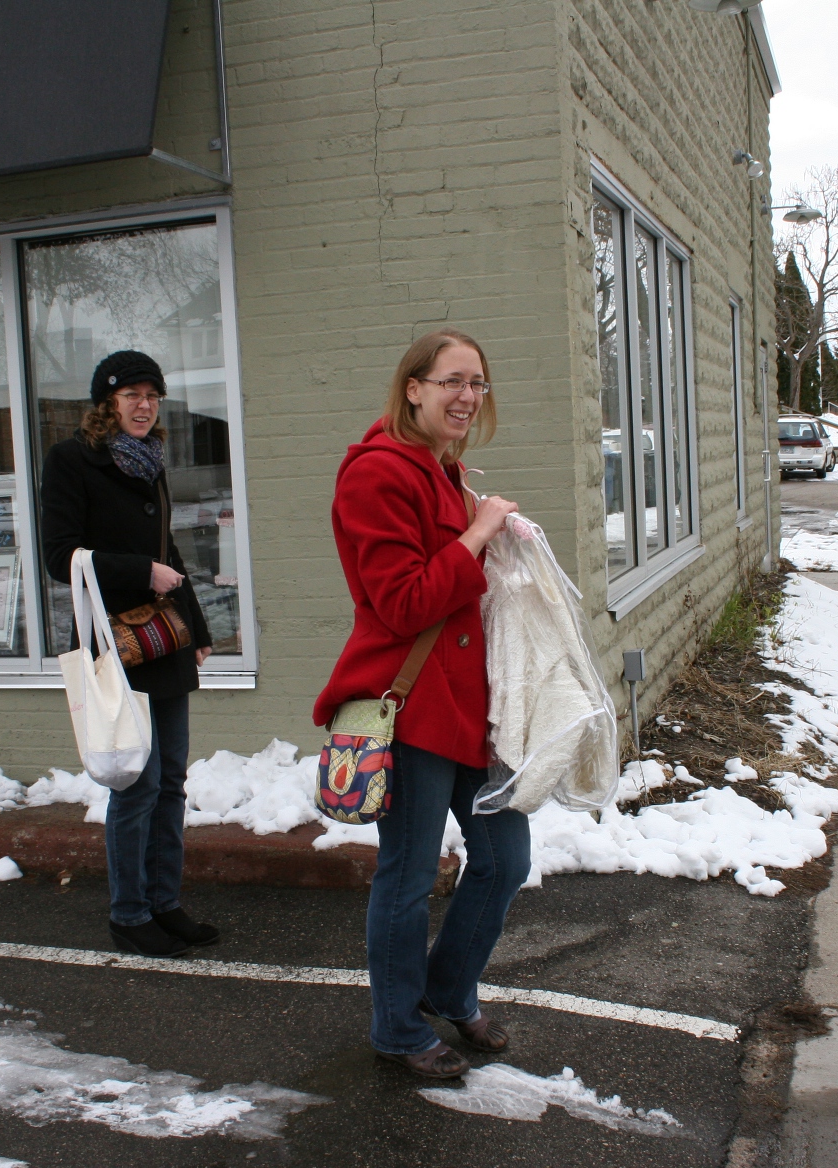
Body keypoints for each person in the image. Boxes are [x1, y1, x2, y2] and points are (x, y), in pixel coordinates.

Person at [315, 328, 533, 1079]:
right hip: (410, 708)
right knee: (407, 877)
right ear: (414, 387)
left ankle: (445, 988)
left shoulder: (448, 472)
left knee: (505, 857)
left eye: (478, 382)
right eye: (451, 381)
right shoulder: (377, 475)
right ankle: (398, 1030)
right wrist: (475, 535)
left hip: (470, 709)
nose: (468, 396)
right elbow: (404, 603)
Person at [41, 350, 217, 959]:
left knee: (170, 781)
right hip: (115, 645)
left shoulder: (152, 463)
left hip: (163, 640)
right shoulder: (71, 461)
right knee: (135, 786)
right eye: (131, 395)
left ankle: (165, 903)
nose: (144, 406)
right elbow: (59, 555)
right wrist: (142, 571)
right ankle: (129, 911)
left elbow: (168, 545)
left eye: (152, 395)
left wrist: (197, 628)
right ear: (106, 403)